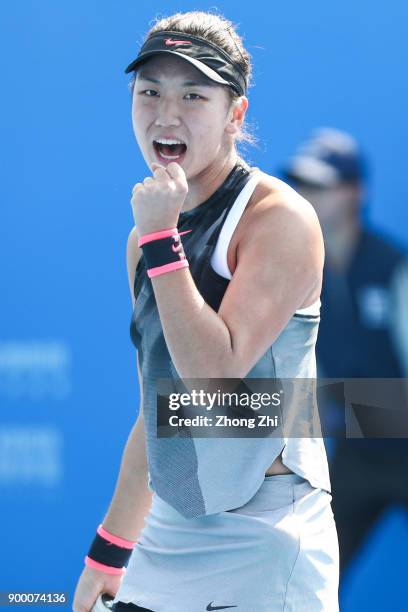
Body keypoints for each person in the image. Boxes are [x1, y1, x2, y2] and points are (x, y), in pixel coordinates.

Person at [73, 12, 339, 612]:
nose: (166, 115)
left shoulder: (280, 219)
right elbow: (161, 408)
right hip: (168, 533)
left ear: (235, 114)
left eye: (193, 95)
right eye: (150, 93)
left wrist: (163, 243)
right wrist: (110, 551)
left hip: (268, 537)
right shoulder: (146, 239)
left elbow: (212, 385)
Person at [281, 127, 408, 583]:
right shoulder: (293, 273)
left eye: (322, 184)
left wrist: (335, 408)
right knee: (309, 580)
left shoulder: (395, 267)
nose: (308, 195)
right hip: (356, 458)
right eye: (302, 184)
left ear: (357, 192)